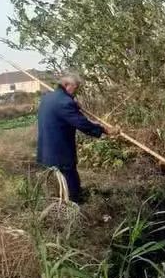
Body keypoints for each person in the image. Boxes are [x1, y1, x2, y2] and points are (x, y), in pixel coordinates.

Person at [37, 73, 117, 203]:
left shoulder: (48, 97)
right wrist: (104, 130)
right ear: (66, 85)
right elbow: (82, 123)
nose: (77, 90)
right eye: (76, 87)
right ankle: (75, 203)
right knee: (69, 174)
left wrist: (73, 103)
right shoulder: (64, 102)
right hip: (59, 148)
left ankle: (61, 197)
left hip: (46, 146)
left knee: (57, 176)